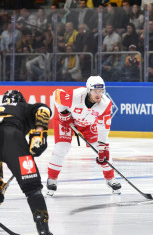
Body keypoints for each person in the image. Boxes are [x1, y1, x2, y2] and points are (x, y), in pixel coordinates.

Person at [46, 76, 121, 196]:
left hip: (87, 124)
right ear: (88, 90)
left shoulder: (105, 104)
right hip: (66, 121)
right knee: (61, 147)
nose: (98, 94)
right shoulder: (75, 96)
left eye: (101, 91)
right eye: (95, 91)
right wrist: (63, 112)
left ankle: (111, 179)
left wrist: (102, 146)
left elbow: (104, 127)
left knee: (103, 151)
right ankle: (52, 179)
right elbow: (56, 94)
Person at [0, 90, 53, 234]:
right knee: (32, 187)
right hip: (12, 138)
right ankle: (43, 229)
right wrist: (39, 134)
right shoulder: (22, 106)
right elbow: (43, 109)